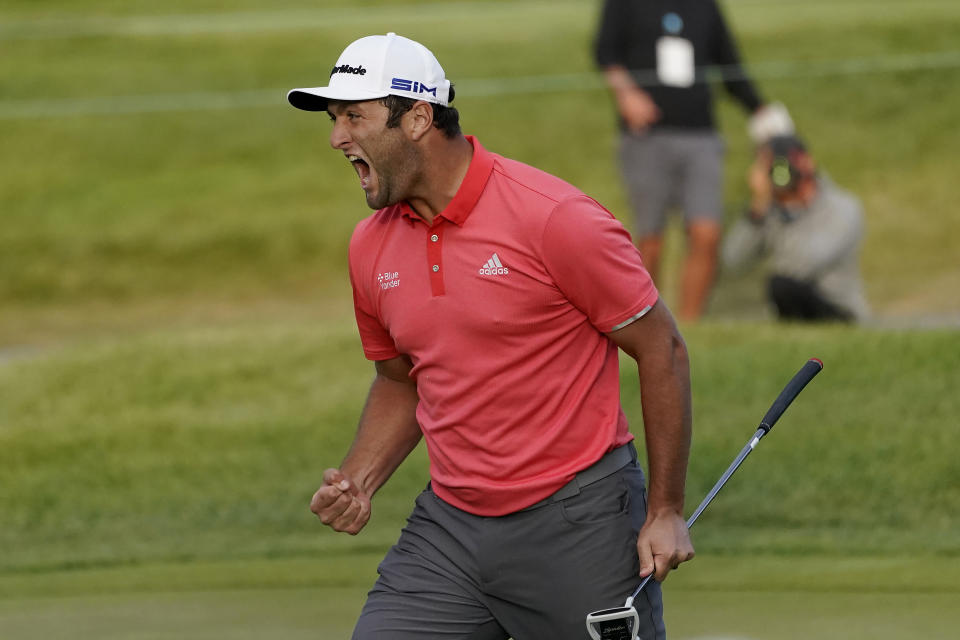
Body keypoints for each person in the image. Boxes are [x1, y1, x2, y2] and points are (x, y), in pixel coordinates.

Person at [287, 33, 694, 640]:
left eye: (354, 117)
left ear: (418, 118)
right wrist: (359, 479)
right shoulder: (370, 244)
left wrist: (664, 510)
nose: (337, 137)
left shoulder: (555, 219)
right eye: (334, 119)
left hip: (578, 522)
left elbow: (662, 349)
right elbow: (401, 381)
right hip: (450, 531)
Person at [594, 0, 781, 322]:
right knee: (651, 239)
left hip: (701, 135)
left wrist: (764, 114)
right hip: (646, 137)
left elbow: (730, 65)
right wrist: (626, 94)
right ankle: (644, 325)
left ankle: (690, 328)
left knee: (706, 232)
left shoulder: (705, 5)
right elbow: (605, 51)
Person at [722, 135, 870, 322]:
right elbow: (733, 259)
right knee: (781, 287)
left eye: (781, 166)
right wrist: (757, 210)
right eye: (770, 168)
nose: (778, 175)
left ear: (805, 162)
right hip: (789, 311)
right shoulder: (768, 209)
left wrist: (790, 211)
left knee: (782, 285)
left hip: (839, 311)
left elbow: (804, 262)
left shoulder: (843, 206)